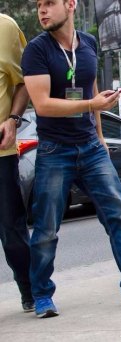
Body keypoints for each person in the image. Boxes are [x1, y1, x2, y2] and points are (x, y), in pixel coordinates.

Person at [21, 0, 121, 319]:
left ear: (70, 5)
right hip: (54, 149)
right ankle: (42, 295)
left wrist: (99, 135)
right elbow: (43, 105)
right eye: (39, 5)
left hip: (89, 146)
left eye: (49, 3)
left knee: (119, 213)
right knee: (46, 228)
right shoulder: (37, 50)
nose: (42, 11)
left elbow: (91, 84)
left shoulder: (88, 43)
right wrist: (90, 104)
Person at [0, 13, 34, 313]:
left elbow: (24, 82)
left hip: (1, 153)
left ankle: (29, 287)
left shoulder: (6, 27)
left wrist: (13, 120)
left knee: (11, 229)